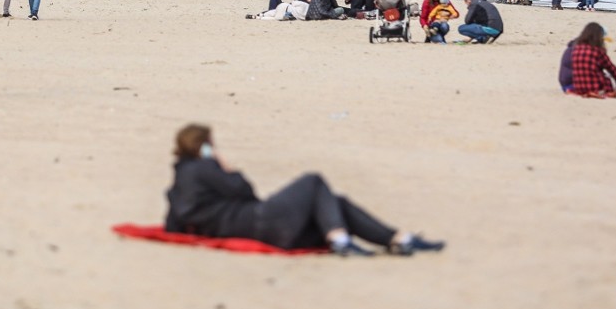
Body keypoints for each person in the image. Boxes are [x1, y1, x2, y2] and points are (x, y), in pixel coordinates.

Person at [165, 124, 445, 256]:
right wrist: (226, 167)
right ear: (202, 146)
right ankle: (340, 239)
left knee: (336, 202)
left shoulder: (178, 182)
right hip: (256, 221)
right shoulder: (205, 169)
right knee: (313, 181)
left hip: (250, 226)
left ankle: (397, 239)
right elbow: (246, 192)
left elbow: (173, 224)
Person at [570, 22, 616, 98]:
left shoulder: (575, 50)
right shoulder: (597, 51)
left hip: (579, 88)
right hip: (598, 88)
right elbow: (612, 70)